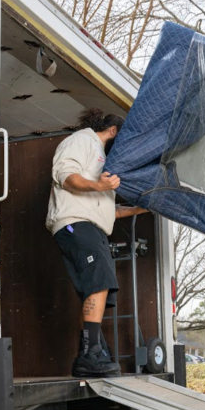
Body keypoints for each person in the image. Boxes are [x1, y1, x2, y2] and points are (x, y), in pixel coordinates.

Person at [47, 108, 147, 378]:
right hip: (75, 223)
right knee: (100, 282)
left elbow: (108, 212)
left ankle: (93, 350)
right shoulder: (83, 140)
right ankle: (89, 354)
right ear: (113, 131)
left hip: (90, 226)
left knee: (96, 287)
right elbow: (66, 176)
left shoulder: (101, 166)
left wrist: (141, 208)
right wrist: (99, 186)